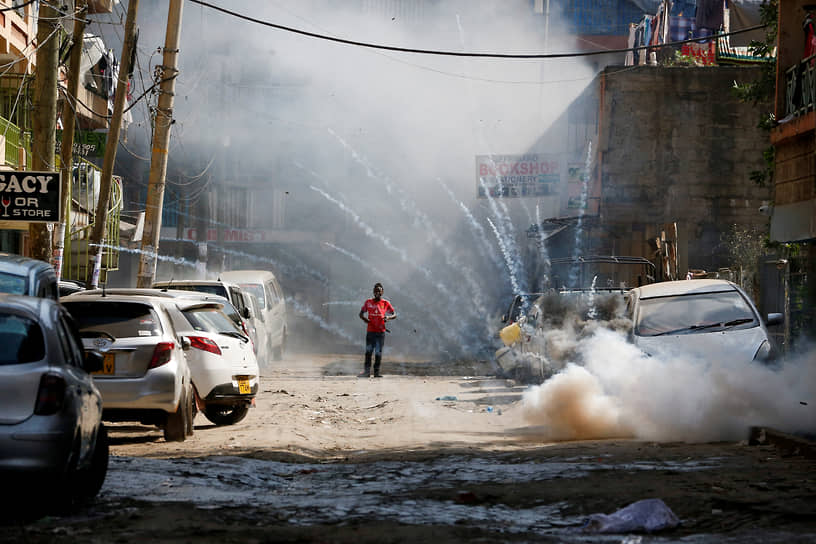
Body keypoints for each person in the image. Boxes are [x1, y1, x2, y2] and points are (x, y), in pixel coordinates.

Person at [357, 282, 396, 378]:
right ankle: (366, 372)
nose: (377, 292)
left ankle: (376, 372)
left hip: (380, 332)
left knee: (378, 352)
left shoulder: (385, 303)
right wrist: (365, 319)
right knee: (368, 352)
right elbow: (361, 314)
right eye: (375, 291)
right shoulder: (368, 302)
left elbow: (394, 314)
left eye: (379, 291)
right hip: (370, 331)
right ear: (373, 292)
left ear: (382, 292)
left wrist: (388, 318)